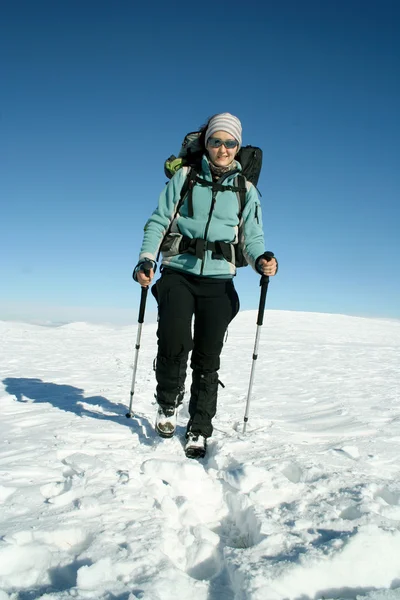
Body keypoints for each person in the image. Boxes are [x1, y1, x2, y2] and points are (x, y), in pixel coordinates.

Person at [133, 113, 277, 458]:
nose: (222, 148)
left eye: (230, 143)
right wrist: (146, 258)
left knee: (208, 356)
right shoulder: (185, 177)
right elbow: (158, 220)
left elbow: (252, 237)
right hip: (178, 272)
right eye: (216, 141)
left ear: (238, 147)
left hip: (219, 280)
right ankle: (168, 404)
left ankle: (199, 426)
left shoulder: (247, 190)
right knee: (173, 339)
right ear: (207, 144)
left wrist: (261, 260)